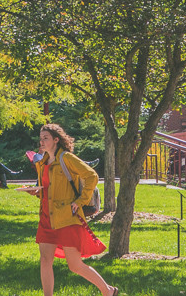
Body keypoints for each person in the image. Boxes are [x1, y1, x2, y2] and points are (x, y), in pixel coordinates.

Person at [20, 124, 117, 296]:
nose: (41, 141)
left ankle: (108, 290)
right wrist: (36, 192)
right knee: (45, 259)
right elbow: (48, 189)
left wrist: (81, 200)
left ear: (56, 140)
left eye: (46, 138)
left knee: (74, 265)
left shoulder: (66, 158)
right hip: (46, 217)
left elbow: (91, 176)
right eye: (41, 138)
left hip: (66, 217)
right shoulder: (42, 162)